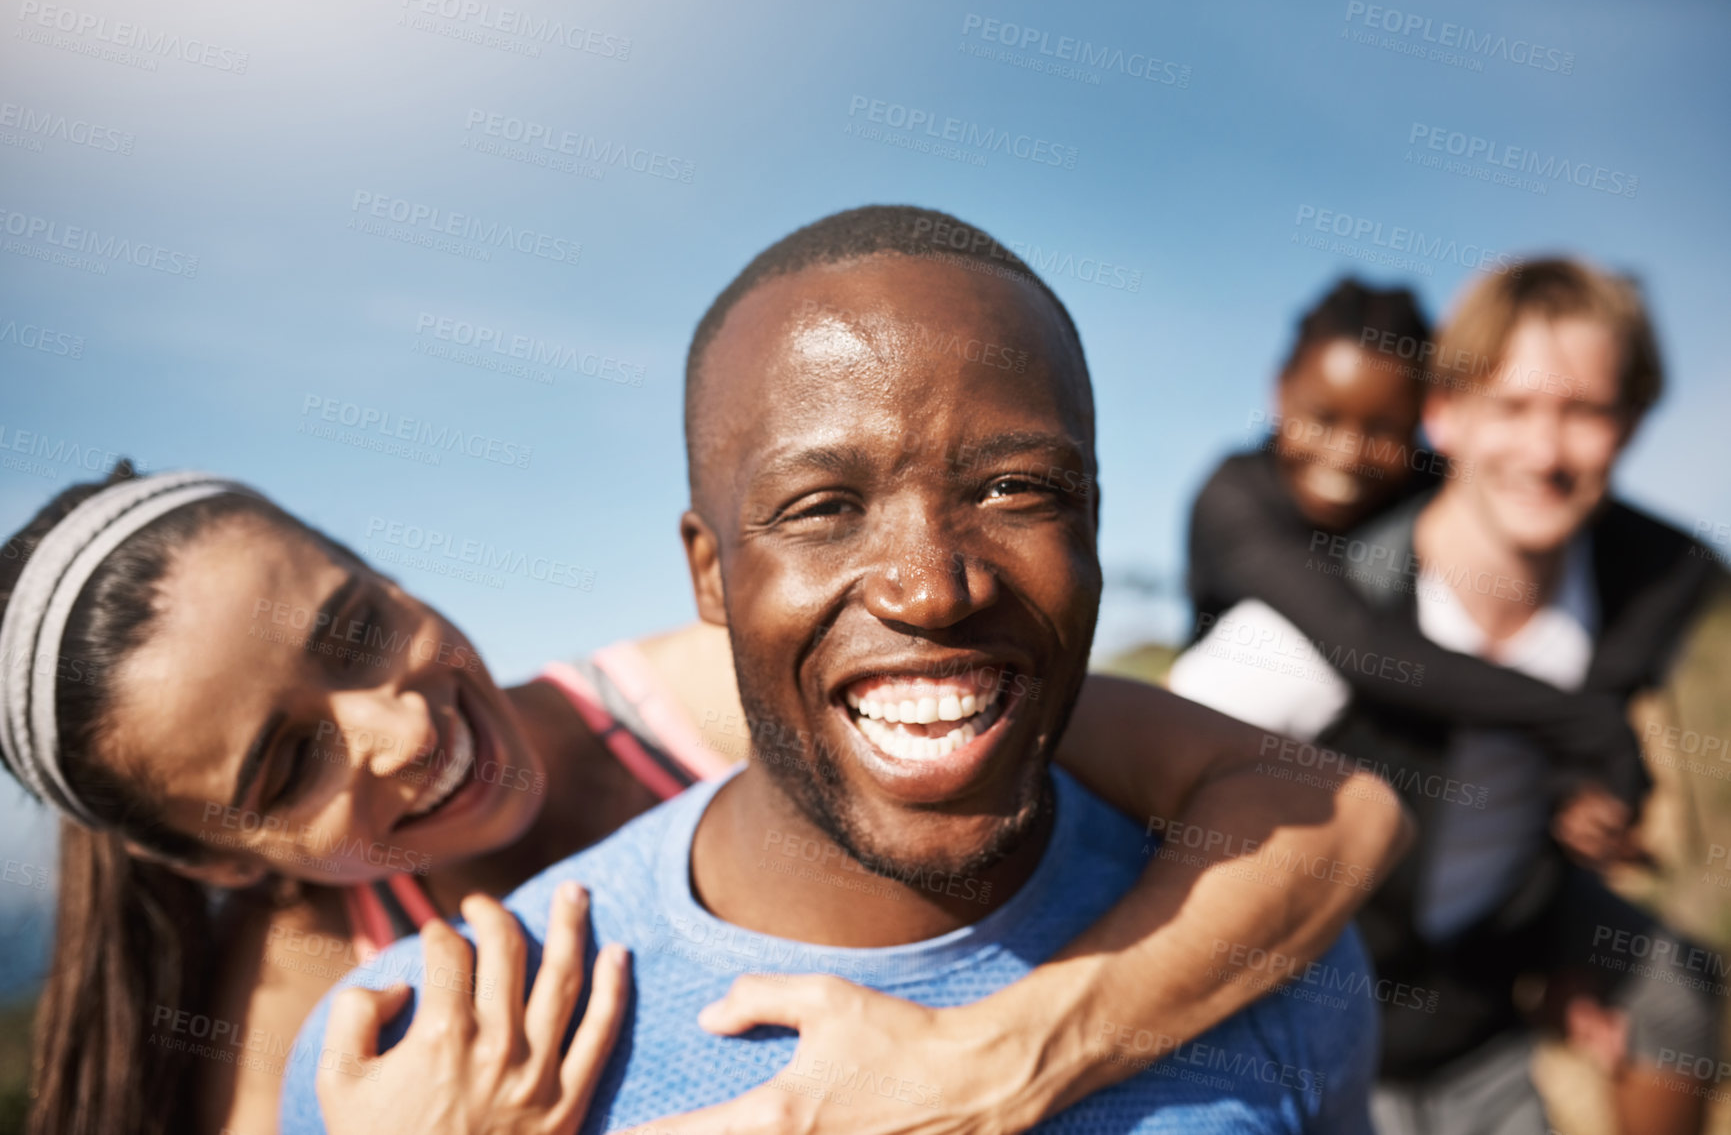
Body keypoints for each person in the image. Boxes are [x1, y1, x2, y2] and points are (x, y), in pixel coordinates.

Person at [280, 204, 1387, 1134]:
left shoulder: (1267, 952)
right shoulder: (408, 1064)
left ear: (1093, 525)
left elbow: (1336, 808)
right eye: (822, 509)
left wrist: (1011, 1055)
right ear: (709, 574)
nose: (932, 588)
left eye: (1014, 489)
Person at [0, 415, 1406, 1125]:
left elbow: (1315, 804)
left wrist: (1006, 1054)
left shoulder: (717, 693)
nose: (395, 723)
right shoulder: (319, 1014)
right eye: (286, 762)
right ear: (215, 858)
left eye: (357, 623)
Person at [1170, 258, 1724, 1134]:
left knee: (1678, 984)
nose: (1544, 453)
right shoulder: (1312, 616)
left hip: (1485, 1014)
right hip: (1329, 1028)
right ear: (1446, 413)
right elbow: (1144, 790)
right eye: (1511, 407)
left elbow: (1605, 729)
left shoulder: (1648, 583)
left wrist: (1591, 812)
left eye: (1583, 410)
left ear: (1630, 419)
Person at [1175, 276, 1651, 814]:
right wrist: (1580, 720)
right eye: (1323, 418)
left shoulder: (1427, 489)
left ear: (1424, 421)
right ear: (1279, 390)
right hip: (1234, 759)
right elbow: (1362, 644)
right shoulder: (1233, 500)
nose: (1348, 454)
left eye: (1384, 429)